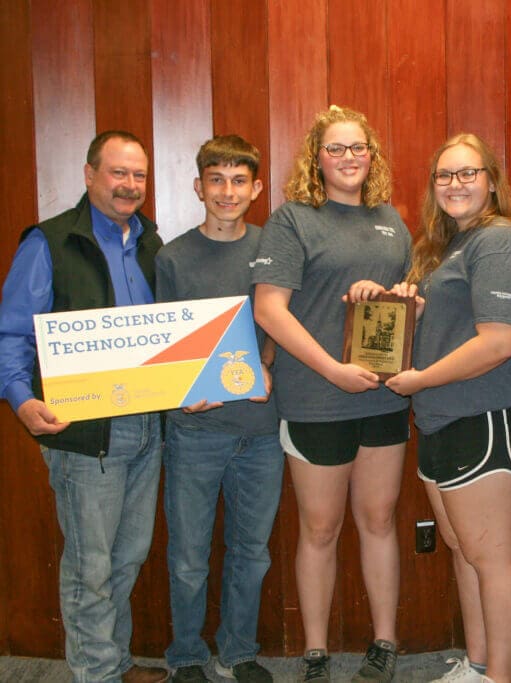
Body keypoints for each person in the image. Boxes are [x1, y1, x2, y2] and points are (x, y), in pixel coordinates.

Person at [0, 131, 168, 683]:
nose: (129, 185)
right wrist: (23, 402)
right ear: (89, 174)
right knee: (90, 567)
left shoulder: (150, 242)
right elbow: (10, 336)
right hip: (84, 432)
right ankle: (95, 674)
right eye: (118, 173)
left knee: (128, 556)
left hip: (147, 425)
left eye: (138, 175)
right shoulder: (48, 244)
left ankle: (113, 663)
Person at [252, 106, 411, 683]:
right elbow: (269, 309)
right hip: (317, 399)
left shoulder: (392, 219)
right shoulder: (293, 219)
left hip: (384, 398)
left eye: (358, 147)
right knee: (319, 528)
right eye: (336, 148)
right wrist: (331, 370)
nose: (349, 158)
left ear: (372, 155)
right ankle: (315, 652)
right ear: (316, 158)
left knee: (380, 519)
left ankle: (384, 642)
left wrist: (402, 298)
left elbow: (405, 303)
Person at [385, 133, 511, 683]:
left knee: (492, 557)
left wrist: (421, 377)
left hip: (484, 415)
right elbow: (455, 325)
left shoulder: (496, 242)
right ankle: (477, 667)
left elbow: (500, 340)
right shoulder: (449, 244)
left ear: (492, 180)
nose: (455, 184)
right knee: (465, 550)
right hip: (443, 415)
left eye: (467, 173)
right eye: (444, 175)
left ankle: (499, 677)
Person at [155, 135, 283, 683]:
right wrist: (180, 388)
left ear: (255, 189)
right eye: (216, 180)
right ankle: (187, 655)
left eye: (238, 181)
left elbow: (278, 326)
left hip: (259, 430)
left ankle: (238, 652)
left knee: (251, 552)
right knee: (188, 555)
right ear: (198, 187)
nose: (226, 192)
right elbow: (162, 340)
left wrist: (268, 363)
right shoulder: (173, 257)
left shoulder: (272, 249)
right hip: (195, 430)